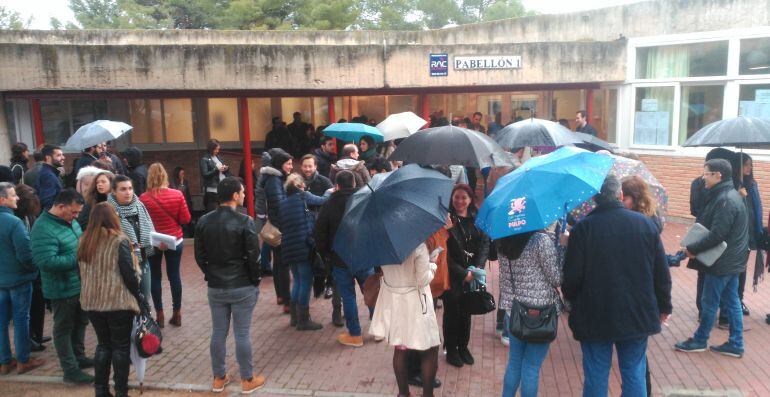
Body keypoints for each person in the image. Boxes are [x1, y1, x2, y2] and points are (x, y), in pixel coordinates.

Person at [563, 175, 672, 396]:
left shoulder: (583, 228)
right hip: (636, 310)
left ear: (595, 198)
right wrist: (664, 306)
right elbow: (661, 272)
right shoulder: (645, 225)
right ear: (620, 195)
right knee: (634, 370)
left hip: (594, 312)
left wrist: (573, 301)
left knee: (596, 372)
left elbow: (572, 277)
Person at [194, 176, 265, 394]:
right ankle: (247, 379)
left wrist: (211, 273)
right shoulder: (245, 221)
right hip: (242, 284)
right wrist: (255, 280)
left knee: (218, 332)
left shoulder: (204, 221)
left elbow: (199, 256)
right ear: (235, 195)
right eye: (242, 192)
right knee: (241, 333)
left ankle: (219, 377)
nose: (244, 195)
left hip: (216, 286)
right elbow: (254, 256)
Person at [675, 159, 749, 358]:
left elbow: (717, 234)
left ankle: (700, 340)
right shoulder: (729, 196)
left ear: (719, 175)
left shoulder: (725, 200)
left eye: (707, 173)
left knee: (709, 302)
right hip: (732, 261)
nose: (703, 177)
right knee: (732, 301)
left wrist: (693, 249)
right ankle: (736, 344)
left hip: (721, 263)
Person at [77, 202, 142, 397]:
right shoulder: (119, 240)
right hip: (117, 301)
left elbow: (79, 271)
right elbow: (129, 274)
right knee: (120, 347)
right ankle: (121, 391)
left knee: (103, 345)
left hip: (92, 301)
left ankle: (101, 390)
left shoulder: (83, 240)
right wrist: (139, 297)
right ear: (112, 217)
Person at [30, 189, 94, 384]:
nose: (76, 217)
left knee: (81, 321)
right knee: (63, 328)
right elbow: (46, 262)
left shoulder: (70, 222)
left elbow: (80, 241)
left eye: (78, 213)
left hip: (79, 284)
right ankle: (70, 369)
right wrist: (78, 257)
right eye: (73, 212)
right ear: (60, 206)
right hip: (61, 288)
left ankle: (79, 356)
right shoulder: (42, 228)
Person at [498, 228, 563, 397]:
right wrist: (561, 251)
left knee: (514, 362)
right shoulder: (541, 240)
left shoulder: (503, 240)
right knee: (531, 366)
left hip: (514, 310)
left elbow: (504, 278)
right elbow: (556, 278)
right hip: (541, 313)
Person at [370, 243, 441, 397]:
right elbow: (423, 279)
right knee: (429, 349)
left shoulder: (382, 245)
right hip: (415, 302)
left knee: (400, 348)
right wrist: (433, 264)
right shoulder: (418, 246)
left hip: (394, 302)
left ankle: (403, 393)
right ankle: (428, 395)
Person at [315, 170, 372, 346]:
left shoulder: (329, 205)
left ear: (336, 186)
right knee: (371, 290)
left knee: (348, 295)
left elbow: (320, 234)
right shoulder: (365, 200)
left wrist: (326, 254)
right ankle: (379, 329)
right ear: (354, 183)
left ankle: (355, 334)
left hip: (339, 258)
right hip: (363, 254)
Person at [0, 182, 45, 375]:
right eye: (12, 195)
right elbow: (26, 255)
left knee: (1, 322)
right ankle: (23, 360)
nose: (17, 197)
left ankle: (4, 361)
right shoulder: (14, 223)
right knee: (20, 320)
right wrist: (35, 269)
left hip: (1, 280)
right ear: (2, 200)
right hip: (19, 279)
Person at [140, 163, 191, 328]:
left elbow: (142, 223)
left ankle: (159, 314)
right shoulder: (177, 194)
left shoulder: (143, 198)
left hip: (153, 240)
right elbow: (185, 219)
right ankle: (177, 313)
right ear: (165, 176)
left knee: (155, 276)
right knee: (174, 275)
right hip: (174, 239)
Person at [443, 184, 489, 367]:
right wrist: (463, 273)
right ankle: (451, 349)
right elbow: (444, 253)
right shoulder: (447, 220)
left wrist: (476, 269)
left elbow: (485, 244)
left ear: (470, 200)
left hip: (472, 273)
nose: (460, 201)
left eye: (464, 197)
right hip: (453, 275)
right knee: (452, 313)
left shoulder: (477, 219)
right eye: (456, 197)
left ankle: (463, 347)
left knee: (466, 312)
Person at [279, 173, 330, 330]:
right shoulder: (303, 196)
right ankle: (303, 320)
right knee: (306, 282)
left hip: (288, 247)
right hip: (303, 246)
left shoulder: (283, 203)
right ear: (300, 185)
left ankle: (294, 318)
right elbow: (322, 201)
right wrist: (329, 191)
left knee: (297, 281)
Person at [108, 175, 155, 301]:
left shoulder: (139, 206)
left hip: (142, 261)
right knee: (127, 302)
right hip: (121, 265)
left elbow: (149, 230)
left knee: (145, 299)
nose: (128, 192)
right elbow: (107, 241)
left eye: (130, 188)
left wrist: (155, 241)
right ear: (113, 191)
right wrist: (131, 247)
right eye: (123, 189)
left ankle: (145, 320)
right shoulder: (108, 210)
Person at [13, 184, 48, 353]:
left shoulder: (30, 217)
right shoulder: (15, 220)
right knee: (24, 309)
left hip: (33, 267)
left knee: (38, 302)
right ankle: (29, 339)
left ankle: (37, 334)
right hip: (23, 269)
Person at [260, 148, 293, 313]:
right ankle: (287, 300)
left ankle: (281, 295)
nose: (291, 167)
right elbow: (279, 204)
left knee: (279, 262)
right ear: (280, 165)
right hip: (280, 226)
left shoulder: (273, 179)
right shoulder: (274, 181)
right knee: (283, 264)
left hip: (275, 225)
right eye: (288, 164)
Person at [299, 154, 335, 299]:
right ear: (301, 167)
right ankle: (318, 284)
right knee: (311, 258)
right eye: (305, 166)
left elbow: (331, 199)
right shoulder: (297, 181)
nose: (308, 169)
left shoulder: (324, 181)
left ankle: (329, 285)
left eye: (310, 166)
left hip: (322, 225)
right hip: (305, 226)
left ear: (315, 167)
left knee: (326, 257)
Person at [737, 153, 759, 316]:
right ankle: (731, 300)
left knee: (742, 267)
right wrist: (739, 195)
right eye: (745, 164)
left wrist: (758, 230)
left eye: (750, 165)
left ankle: (739, 299)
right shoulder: (733, 184)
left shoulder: (752, 184)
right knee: (735, 268)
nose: (749, 168)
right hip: (737, 233)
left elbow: (757, 208)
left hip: (749, 232)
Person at [200, 139, 231, 213]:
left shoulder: (218, 157)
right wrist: (216, 170)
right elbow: (205, 174)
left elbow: (221, 169)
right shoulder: (205, 159)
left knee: (223, 210)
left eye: (218, 149)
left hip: (222, 186)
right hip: (212, 189)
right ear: (211, 148)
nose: (217, 151)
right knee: (213, 210)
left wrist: (225, 168)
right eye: (216, 149)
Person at [35, 144, 65, 210]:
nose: (63, 157)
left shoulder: (49, 173)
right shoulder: (48, 175)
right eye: (59, 155)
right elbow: (47, 202)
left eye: (62, 155)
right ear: (48, 158)